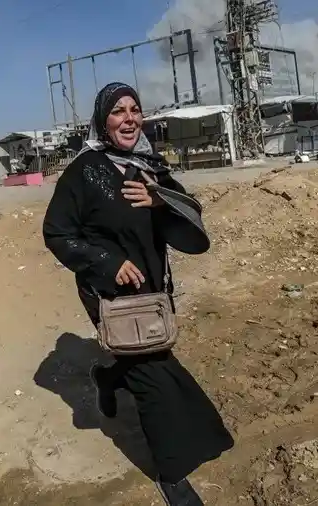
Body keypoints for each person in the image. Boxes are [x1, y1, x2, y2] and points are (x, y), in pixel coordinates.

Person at [42, 82, 232, 506]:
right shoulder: (84, 172)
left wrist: (158, 200)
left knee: (143, 354)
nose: (128, 119)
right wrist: (106, 264)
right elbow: (57, 232)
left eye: (135, 110)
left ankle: (108, 377)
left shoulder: (149, 165)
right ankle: (171, 475)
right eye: (118, 111)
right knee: (155, 380)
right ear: (102, 120)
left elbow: (191, 217)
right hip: (108, 292)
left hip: (153, 290)